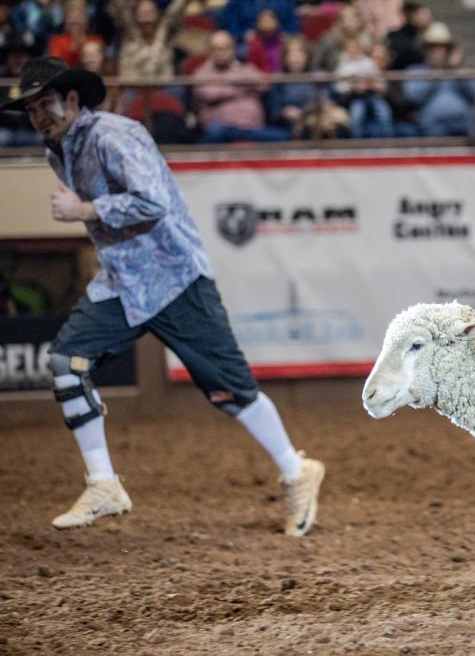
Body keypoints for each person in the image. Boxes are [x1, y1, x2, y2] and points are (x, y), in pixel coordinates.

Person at [0, 56, 325, 534]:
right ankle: (104, 483)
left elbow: (154, 201)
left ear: (70, 99)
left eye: (44, 104)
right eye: (30, 111)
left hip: (173, 278)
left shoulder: (113, 135)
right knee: (67, 360)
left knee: (232, 389)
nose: (38, 118)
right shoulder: (60, 150)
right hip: (122, 280)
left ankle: (299, 472)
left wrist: (85, 208)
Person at [193, 30, 290, 142]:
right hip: (223, 130)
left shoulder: (246, 69)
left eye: (225, 48)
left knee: (282, 136)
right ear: (209, 51)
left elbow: (263, 84)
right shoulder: (202, 72)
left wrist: (224, 85)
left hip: (253, 129)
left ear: (233, 49)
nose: (221, 52)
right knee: (215, 131)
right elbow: (210, 94)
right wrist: (245, 87)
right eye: (217, 48)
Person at [403, 22, 475, 137]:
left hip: (463, 123)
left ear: (447, 50)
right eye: (432, 47)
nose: (435, 51)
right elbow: (413, 97)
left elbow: (474, 95)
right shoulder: (415, 71)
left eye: (440, 47)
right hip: (434, 126)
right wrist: (434, 77)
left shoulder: (460, 71)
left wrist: (457, 72)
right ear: (425, 49)